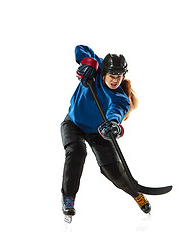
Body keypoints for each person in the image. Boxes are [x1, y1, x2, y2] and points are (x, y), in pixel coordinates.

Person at [61, 45, 151, 218]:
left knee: (113, 170)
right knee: (76, 152)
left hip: (99, 131)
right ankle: (68, 197)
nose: (115, 80)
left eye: (119, 76)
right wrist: (87, 63)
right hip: (73, 123)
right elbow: (81, 48)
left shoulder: (119, 97)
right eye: (112, 76)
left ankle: (136, 194)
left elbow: (116, 110)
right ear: (104, 72)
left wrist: (112, 124)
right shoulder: (97, 68)